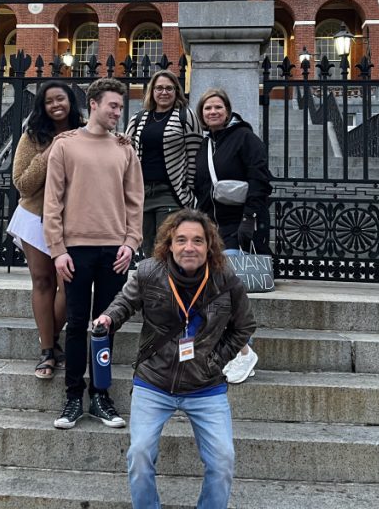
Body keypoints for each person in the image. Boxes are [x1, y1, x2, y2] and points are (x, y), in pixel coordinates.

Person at [95, 208, 256, 509]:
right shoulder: (148, 272)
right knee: (139, 455)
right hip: (154, 382)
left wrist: (215, 361)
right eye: (181, 240)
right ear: (169, 244)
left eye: (197, 240)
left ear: (209, 245)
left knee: (223, 461)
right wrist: (108, 318)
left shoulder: (226, 279)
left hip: (205, 386)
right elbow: (124, 303)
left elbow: (244, 326)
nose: (189, 247)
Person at [44, 77, 144, 429]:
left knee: (106, 326)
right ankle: (73, 397)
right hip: (74, 249)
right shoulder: (65, 145)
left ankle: (101, 396)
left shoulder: (124, 148)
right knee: (75, 324)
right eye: (113, 106)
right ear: (95, 104)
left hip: (114, 250)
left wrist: (131, 243)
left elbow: (136, 200)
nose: (119, 112)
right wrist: (57, 250)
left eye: (121, 106)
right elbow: (52, 201)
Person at [193, 88, 272, 385]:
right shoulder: (205, 144)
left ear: (227, 110)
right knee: (212, 290)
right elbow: (202, 187)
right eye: (207, 109)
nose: (212, 112)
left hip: (238, 224)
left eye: (217, 107)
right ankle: (232, 349)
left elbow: (259, 178)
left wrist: (250, 217)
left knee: (224, 290)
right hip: (211, 226)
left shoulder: (245, 138)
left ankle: (243, 351)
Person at [7, 81, 84, 380]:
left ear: (70, 102)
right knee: (43, 281)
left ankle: (49, 341)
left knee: (68, 285)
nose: (56, 105)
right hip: (34, 216)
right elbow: (22, 184)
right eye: (49, 101)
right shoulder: (31, 137)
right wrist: (51, 149)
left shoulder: (86, 132)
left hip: (73, 219)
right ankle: (48, 349)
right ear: (43, 106)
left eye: (60, 99)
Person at [124, 70, 203, 257]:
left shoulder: (186, 116)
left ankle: (170, 285)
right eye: (159, 88)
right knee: (148, 248)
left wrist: (189, 189)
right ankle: (154, 285)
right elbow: (126, 151)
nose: (164, 92)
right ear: (152, 91)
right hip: (142, 193)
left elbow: (194, 156)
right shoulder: (139, 118)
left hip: (170, 193)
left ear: (177, 91)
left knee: (167, 246)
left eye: (169, 88)